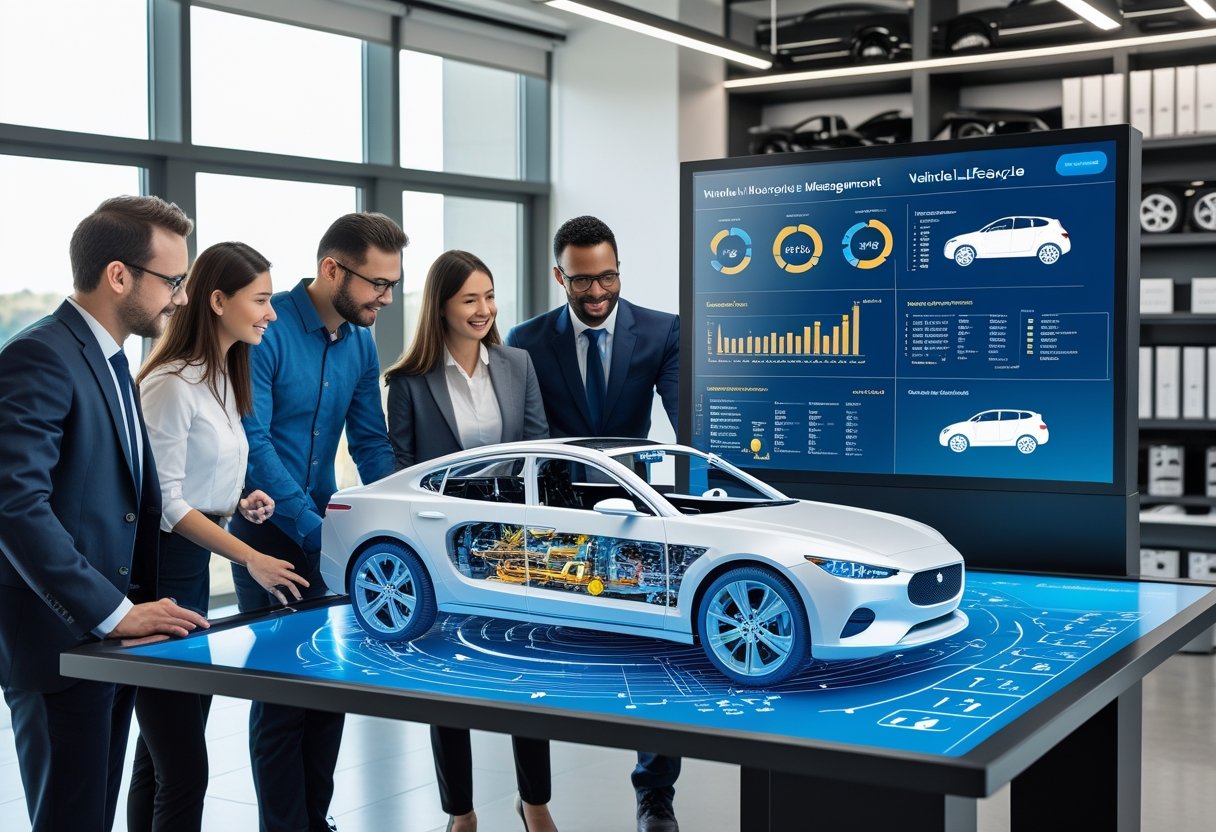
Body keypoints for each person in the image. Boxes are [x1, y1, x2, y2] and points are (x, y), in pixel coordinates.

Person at [0, 195, 211, 832]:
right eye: (172, 281)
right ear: (119, 275)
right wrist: (111, 611)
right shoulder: (39, 354)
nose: (179, 298)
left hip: (113, 639)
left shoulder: (115, 359)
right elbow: (15, 504)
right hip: (61, 643)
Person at [230, 212, 406, 832]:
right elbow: (255, 443)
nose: (385, 299)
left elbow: (370, 441)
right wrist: (313, 527)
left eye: (392, 286)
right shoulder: (269, 328)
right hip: (263, 533)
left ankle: (316, 819)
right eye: (376, 285)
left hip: (325, 531)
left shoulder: (360, 341)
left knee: (331, 684)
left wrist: (395, 514)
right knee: (282, 689)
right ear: (332, 269)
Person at [127, 241, 311, 832]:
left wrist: (237, 500)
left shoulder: (222, 378)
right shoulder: (171, 384)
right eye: (260, 299)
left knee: (161, 759)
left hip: (188, 575)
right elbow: (164, 502)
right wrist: (252, 556)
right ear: (216, 300)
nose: (272, 313)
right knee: (183, 768)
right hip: (160, 574)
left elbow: (190, 481)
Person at [505, 215, 682, 832]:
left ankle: (654, 796)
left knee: (658, 647)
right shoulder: (524, 340)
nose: (597, 292)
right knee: (535, 648)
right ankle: (535, 800)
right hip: (553, 513)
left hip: (635, 509)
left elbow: (686, 420)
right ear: (560, 276)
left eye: (607, 276)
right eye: (583, 281)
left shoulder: (661, 331)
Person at [384, 250, 552, 832]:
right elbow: (402, 471)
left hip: (515, 543)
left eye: (489, 295)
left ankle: (534, 802)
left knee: (525, 671)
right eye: (469, 299)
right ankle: (460, 811)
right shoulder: (408, 382)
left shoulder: (517, 364)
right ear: (442, 306)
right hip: (440, 542)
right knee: (445, 678)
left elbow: (539, 451)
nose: (484, 309)